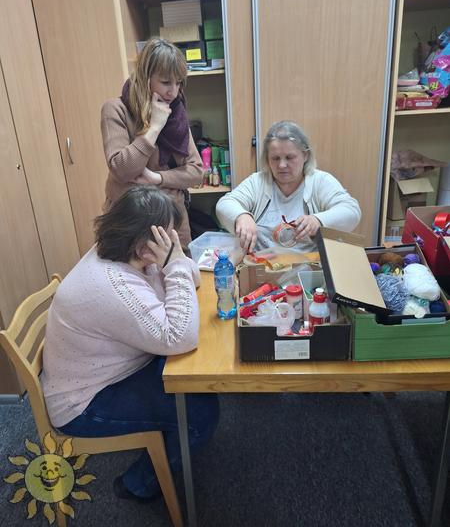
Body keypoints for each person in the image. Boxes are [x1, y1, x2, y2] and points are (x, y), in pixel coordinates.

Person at [41, 185, 219, 502]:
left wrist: (174, 261)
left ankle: (163, 444)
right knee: (200, 412)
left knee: (192, 378)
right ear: (143, 244)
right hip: (83, 403)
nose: (172, 240)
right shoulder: (113, 285)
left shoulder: (124, 251)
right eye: (166, 235)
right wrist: (174, 263)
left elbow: (191, 279)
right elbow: (180, 336)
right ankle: (137, 484)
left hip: (116, 369)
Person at [101, 37, 203, 247]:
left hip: (172, 221)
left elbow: (196, 172)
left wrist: (157, 178)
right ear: (145, 77)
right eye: (166, 82)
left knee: (180, 267)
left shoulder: (176, 112)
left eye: (178, 83)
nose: (173, 92)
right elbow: (121, 169)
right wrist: (154, 127)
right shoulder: (115, 109)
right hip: (130, 223)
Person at [216, 120, 361, 253]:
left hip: (310, 267)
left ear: (305, 155)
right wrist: (242, 216)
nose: (282, 165)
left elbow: (351, 211)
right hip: (260, 265)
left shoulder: (320, 181)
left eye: (290, 157)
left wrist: (318, 220)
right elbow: (225, 203)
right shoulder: (257, 182)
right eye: (275, 158)